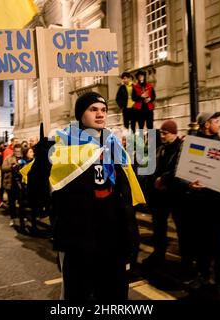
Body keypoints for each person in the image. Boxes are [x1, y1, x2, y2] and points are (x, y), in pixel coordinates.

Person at [45, 91, 145, 300]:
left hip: (113, 245)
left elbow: (125, 201)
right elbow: (43, 197)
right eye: (93, 109)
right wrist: (40, 164)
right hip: (79, 245)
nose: (100, 114)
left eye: (103, 110)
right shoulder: (64, 149)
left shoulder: (115, 148)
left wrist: (131, 241)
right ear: (81, 114)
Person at [183, 112, 220, 296]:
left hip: (218, 205)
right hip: (199, 205)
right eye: (216, 121)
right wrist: (189, 184)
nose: (219, 123)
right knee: (201, 243)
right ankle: (202, 275)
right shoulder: (192, 144)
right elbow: (182, 173)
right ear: (206, 125)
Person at [143, 120, 183, 265]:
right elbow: (153, 168)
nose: (162, 136)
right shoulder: (161, 149)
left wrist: (164, 179)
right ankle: (158, 253)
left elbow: (180, 170)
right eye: (161, 133)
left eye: (165, 133)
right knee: (159, 226)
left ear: (173, 133)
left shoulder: (181, 148)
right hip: (159, 196)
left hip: (175, 194)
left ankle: (186, 261)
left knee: (181, 228)